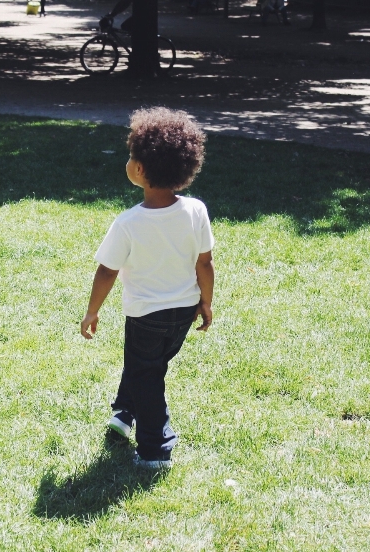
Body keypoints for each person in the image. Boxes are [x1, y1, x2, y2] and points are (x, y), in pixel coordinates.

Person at [80, 107, 215, 470]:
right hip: (183, 312)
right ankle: (125, 414)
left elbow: (107, 271)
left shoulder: (128, 223)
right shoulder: (196, 211)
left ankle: (156, 449)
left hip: (145, 316)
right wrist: (207, 301)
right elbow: (204, 263)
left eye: (131, 156)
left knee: (147, 373)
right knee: (146, 365)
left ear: (139, 170)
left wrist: (92, 310)